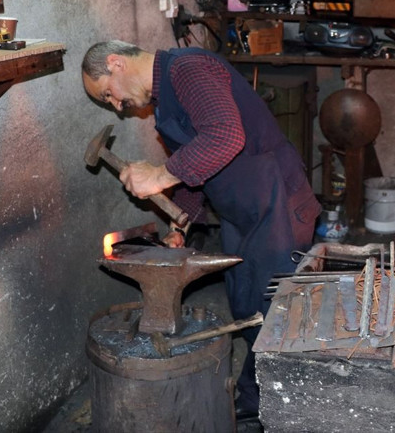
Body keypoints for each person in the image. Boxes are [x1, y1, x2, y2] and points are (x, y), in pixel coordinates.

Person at [82, 41, 321, 418]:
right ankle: (255, 398)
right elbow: (196, 169)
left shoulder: (187, 69)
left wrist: (159, 175)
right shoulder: (164, 105)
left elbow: (225, 136)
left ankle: (281, 409)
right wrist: (182, 226)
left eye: (108, 94)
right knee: (246, 306)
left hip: (276, 204)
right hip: (241, 214)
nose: (116, 105)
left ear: (116, 64)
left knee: (274, 314)